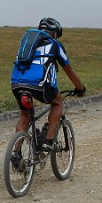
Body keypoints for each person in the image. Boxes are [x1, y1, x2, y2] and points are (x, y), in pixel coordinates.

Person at [10, 17, 86, 154]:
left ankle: (15, 154)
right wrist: (80, 87)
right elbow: (69, 69)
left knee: (25, 115)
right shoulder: (54, 44)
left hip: (16, 83)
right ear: (55, 33)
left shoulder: (28, 44)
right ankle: (48, 142)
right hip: (40, 84)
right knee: (57, 102)